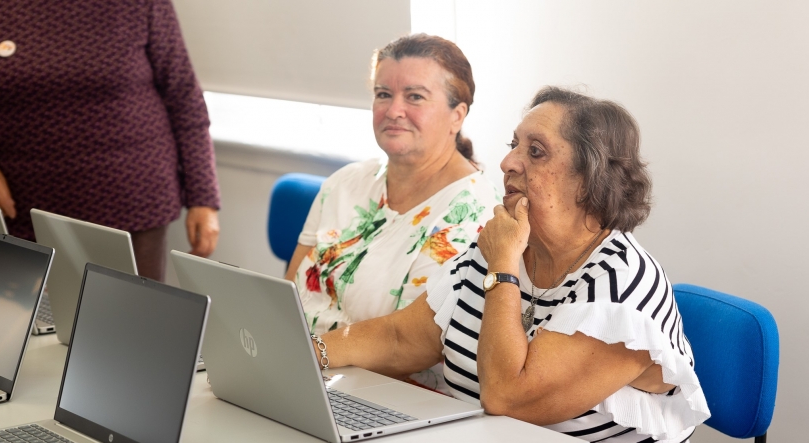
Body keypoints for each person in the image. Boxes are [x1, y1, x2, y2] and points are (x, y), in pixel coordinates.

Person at [308, 87, 711, 442]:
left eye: (535, 152)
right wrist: (308, 353)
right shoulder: (504, 247)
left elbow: (507, 396)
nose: (508, 163)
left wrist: (503, 265)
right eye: (513, 145)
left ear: (589, 180)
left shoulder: (624, 287)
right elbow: (399, 338)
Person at [284, 34, 500, 392]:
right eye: (383, 94)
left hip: (393, 398)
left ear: (456, 116)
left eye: (414, 96)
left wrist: (297, 357)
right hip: (303, 375)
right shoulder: (343, 183)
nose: (393, 110)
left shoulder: (473, 211)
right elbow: (288, 296)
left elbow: (410, 346)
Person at [0, 0, 220, 282]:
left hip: (134, 203)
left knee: (131, 320)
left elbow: (184, 95)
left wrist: (204, 198)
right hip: (23, 208)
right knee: (30, 321)